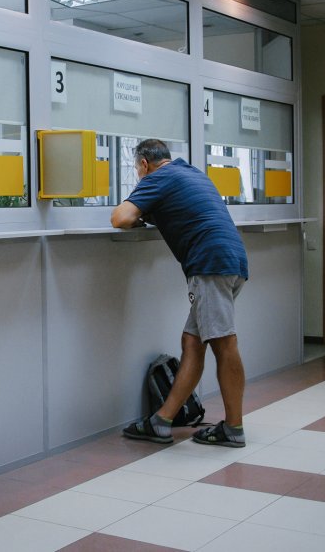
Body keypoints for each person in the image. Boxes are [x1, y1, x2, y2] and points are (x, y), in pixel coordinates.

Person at [110, 138, 248, 448]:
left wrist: (137, 216)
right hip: (231, 260)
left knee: (224, 343)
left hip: (210, 265)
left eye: (136, 169)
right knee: (192, 342)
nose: (138, 175)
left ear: (144, 164)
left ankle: (234, 428)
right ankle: (162, 422)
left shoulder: (158, 177)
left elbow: (120, 217)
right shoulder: (191, 173)